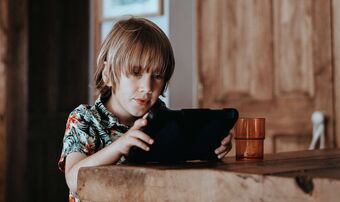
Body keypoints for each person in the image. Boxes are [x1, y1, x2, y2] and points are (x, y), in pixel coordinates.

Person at [58, 17, 233, 202]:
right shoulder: (83, 119)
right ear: (108, 74)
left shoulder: (160, 119)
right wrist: (120, 145)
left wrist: (210, 147)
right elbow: (73, 180)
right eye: (136, 73)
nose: (147, 87)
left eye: (157, 75)